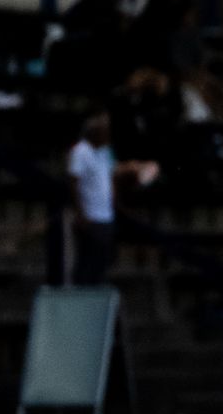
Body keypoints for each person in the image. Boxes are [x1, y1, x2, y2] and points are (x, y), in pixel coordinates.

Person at [65, 113, 158, 285]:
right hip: (89, 216)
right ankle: (80, 298)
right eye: (105, 132)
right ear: (94, 133)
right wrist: (80, 212)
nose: (108, 136)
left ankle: (96, 297)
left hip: (105, 215)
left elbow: (112, 176)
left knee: (102, 261)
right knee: (86, 261)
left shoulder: (106, 151)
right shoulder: (80, 151)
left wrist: (135, 168)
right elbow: (73, 183)